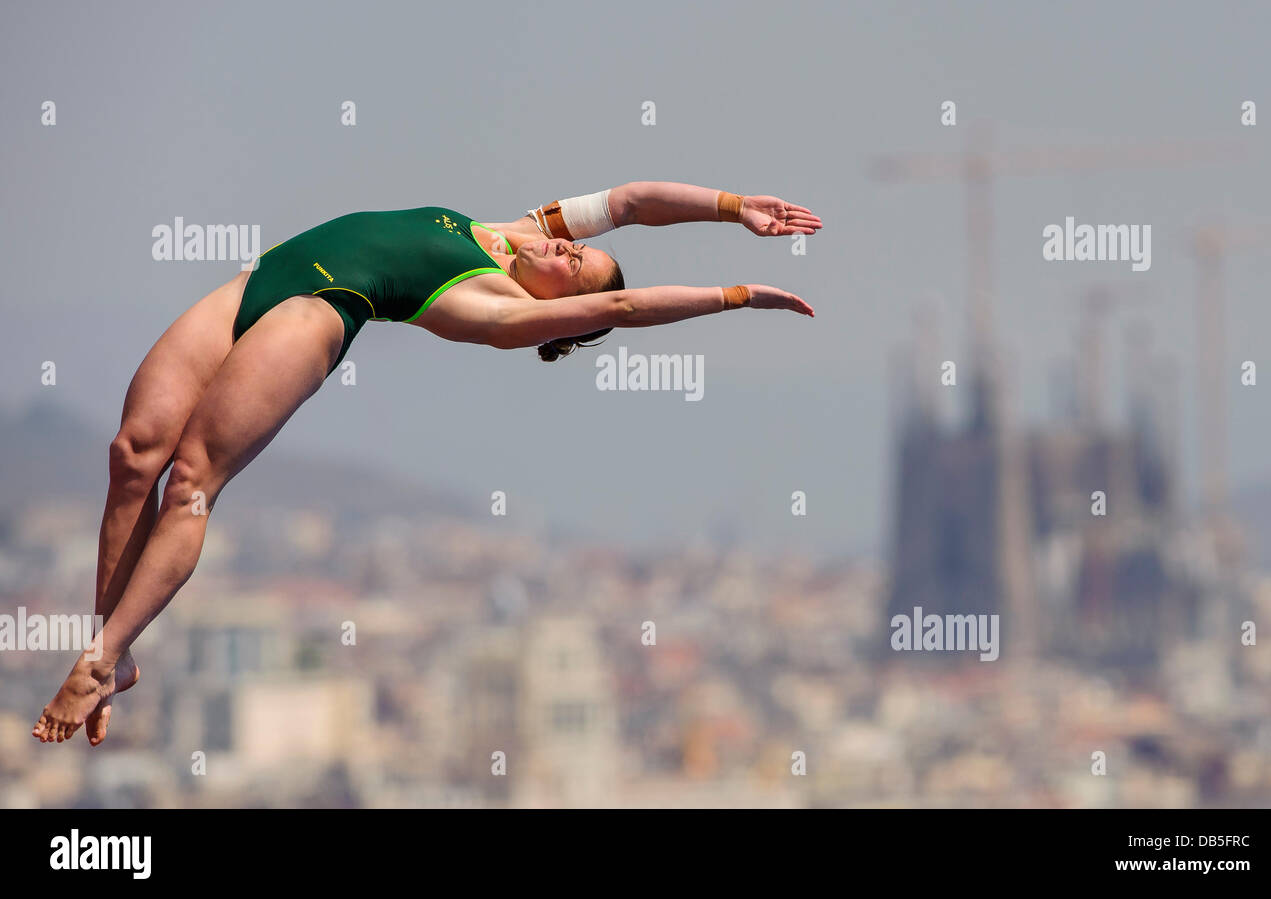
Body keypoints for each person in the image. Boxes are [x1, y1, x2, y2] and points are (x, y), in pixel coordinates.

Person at [32, 181, 821, 744]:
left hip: (313, 313)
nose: (567, 248)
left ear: (555, 305)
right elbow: (632, 203)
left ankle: (97, 661)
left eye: (574, 265)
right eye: (579, 249)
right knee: (132, 453)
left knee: (191, 481)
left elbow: (620, 306)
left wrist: (736, 293)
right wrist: (731, 207)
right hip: (259, 280)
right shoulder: (513, 228)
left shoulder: (496, 309)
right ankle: (118, 649)